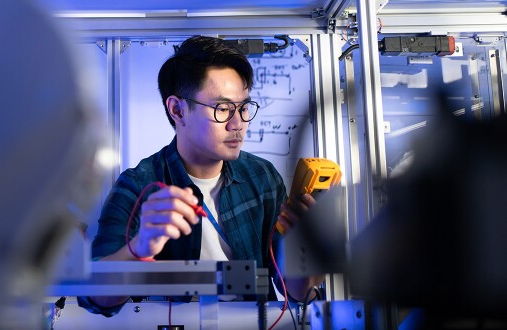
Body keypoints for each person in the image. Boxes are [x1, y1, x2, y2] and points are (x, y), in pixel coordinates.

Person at [77, 35, 323, 316]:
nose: (237, 124)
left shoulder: (261, 177)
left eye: (243, 108)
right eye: (222, 108)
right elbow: (94, 297)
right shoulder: (138, 186)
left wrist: (305, 248)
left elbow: (299, 293)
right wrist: (139, 247)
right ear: (177, 110)